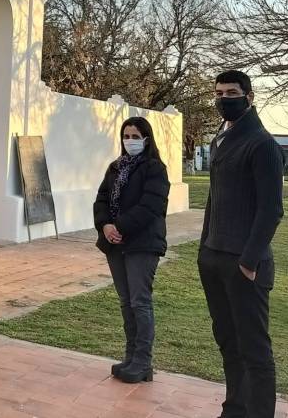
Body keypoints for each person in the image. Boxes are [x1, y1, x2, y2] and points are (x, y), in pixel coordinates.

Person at [198, 71, 284, 418]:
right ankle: (235, 409)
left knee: (254, 351)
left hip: (244, 265)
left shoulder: (262, 144)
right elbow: (214, 201)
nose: (223, 99)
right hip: (214, 257)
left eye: (231, 92)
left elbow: (271, 210)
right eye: (218, 93)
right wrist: (204, 251)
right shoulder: (221, 139)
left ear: (249, 97)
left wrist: (249, 262)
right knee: (228, 344)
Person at [93, 116, 170, 383]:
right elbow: (102, 199)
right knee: (126, 302)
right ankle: (130, 357)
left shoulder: (155, 169)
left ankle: (143, 361)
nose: (130, 141)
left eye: (136, 136)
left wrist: (120, 227)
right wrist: (105, 226)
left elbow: (151, 206)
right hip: (115, 244)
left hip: (142, 243)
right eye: (126, 136)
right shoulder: (115, 167)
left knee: (140, 301)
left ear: (146, 139)